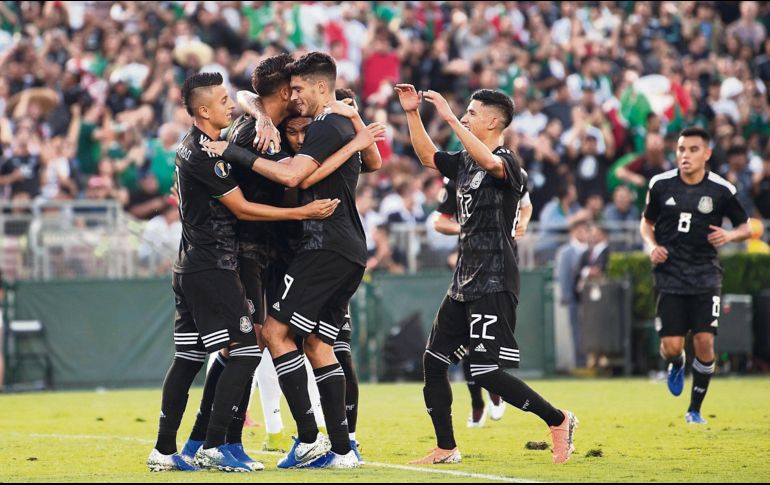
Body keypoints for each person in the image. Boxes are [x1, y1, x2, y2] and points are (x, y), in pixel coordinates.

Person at [146, 72, 340, 473]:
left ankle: (164, 451)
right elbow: (243, 209)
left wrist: (262, 116)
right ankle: (215, 444)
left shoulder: (196, 144)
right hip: (215, 264)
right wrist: (301, 212)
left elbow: (250, 98)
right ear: (203, 110)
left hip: (192, 263)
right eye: (222, 101)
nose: (230, 105)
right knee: (247, 350)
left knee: (188, 359)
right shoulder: (206, 153)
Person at [204, 52, 380, 469]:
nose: (296, 98)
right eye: (292, 90)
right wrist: (356, 135)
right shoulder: (334, 122)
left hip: (322, 247)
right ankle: (342, 450)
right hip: (342, 248)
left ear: (320, 87)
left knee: (272, 335)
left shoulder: (325, 125)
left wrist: (232, 150)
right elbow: (369, 161)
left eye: (300, 88)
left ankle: (307, 439)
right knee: (319, 345)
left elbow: (292, 176)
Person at [395, 84, 577, 465]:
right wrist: (412, 113)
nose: (465, 117)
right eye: (464, 112)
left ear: (494, 122)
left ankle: (558, 420)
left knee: (486, 372)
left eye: (472, 113)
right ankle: (446, 447)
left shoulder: (508, 161)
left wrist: (448, 117)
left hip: (495, 278)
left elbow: (490, 164)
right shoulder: (464, 161)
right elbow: (427, 155)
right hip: (464, 279)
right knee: (433, 360)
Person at [640, 127, 751, 425]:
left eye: (692, 149)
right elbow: (646, 222)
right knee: (671, 347)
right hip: (669, 275)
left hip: (705, 275)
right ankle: (676, 363)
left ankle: (694, 410)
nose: (685, 155)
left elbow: (749, 227)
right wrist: (651, 246)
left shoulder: (722, 189)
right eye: (681, 149)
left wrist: (730, 235)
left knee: (704, 342)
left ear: (707, 153)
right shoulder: (660, 184)